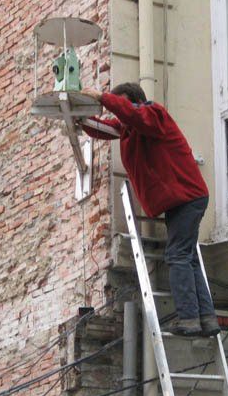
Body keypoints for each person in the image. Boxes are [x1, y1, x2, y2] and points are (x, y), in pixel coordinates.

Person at [79, 83, 220, 338]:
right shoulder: (129, 128)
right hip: (182, 200)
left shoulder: (154, 114)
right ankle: (206, 320)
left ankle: (189, 319)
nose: (118, 111)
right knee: (187, 258)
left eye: (120, 104)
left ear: (134, 101)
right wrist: (79, 119)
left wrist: (102, 97)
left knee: (177, 256)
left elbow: (130, 114)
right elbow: (105, 127)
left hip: (187, 198)